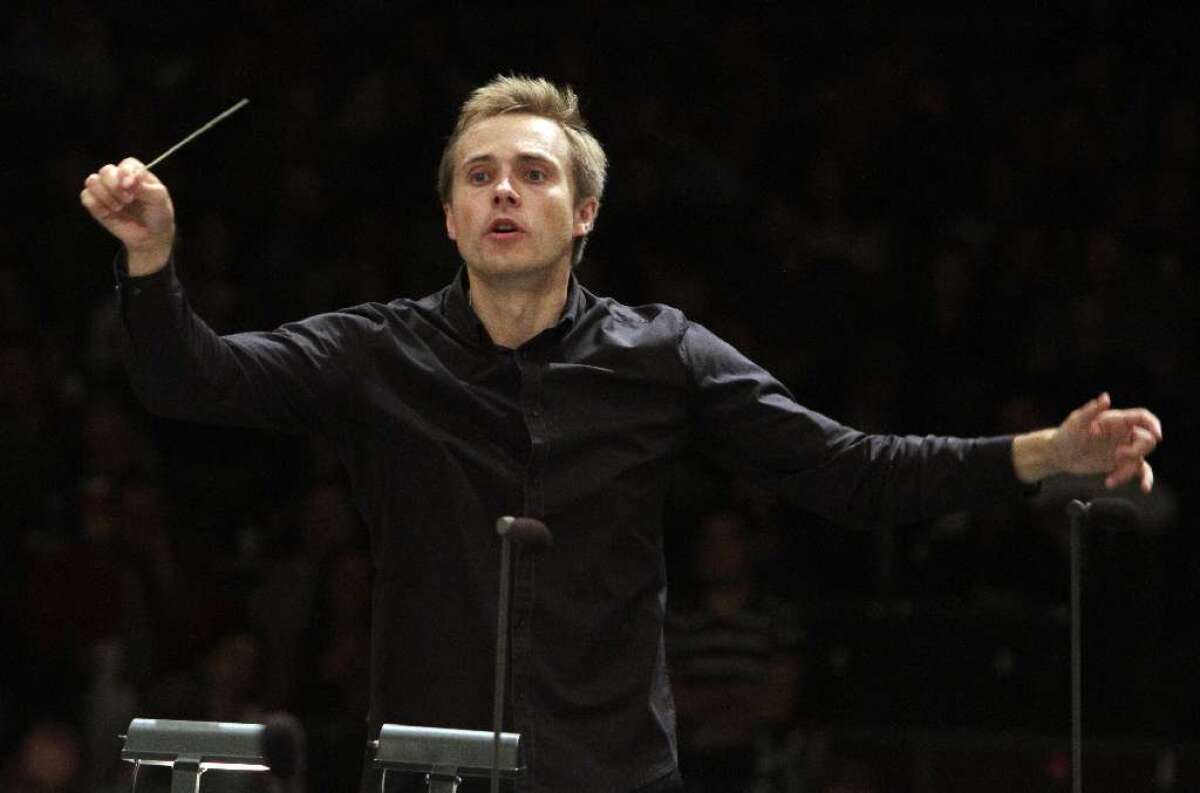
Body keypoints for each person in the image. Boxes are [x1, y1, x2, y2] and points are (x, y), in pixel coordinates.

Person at [80, 75, 1162, 793]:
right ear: (450, 218)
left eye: (534, 172)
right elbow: (195, 382)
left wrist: (1042, 457)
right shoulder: (380, 353)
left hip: (616, 773)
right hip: (430, 767)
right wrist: (150, 260)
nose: (505, 188)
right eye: (479, 175)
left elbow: (847, 468)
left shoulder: (663, 354)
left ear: (584, 212)